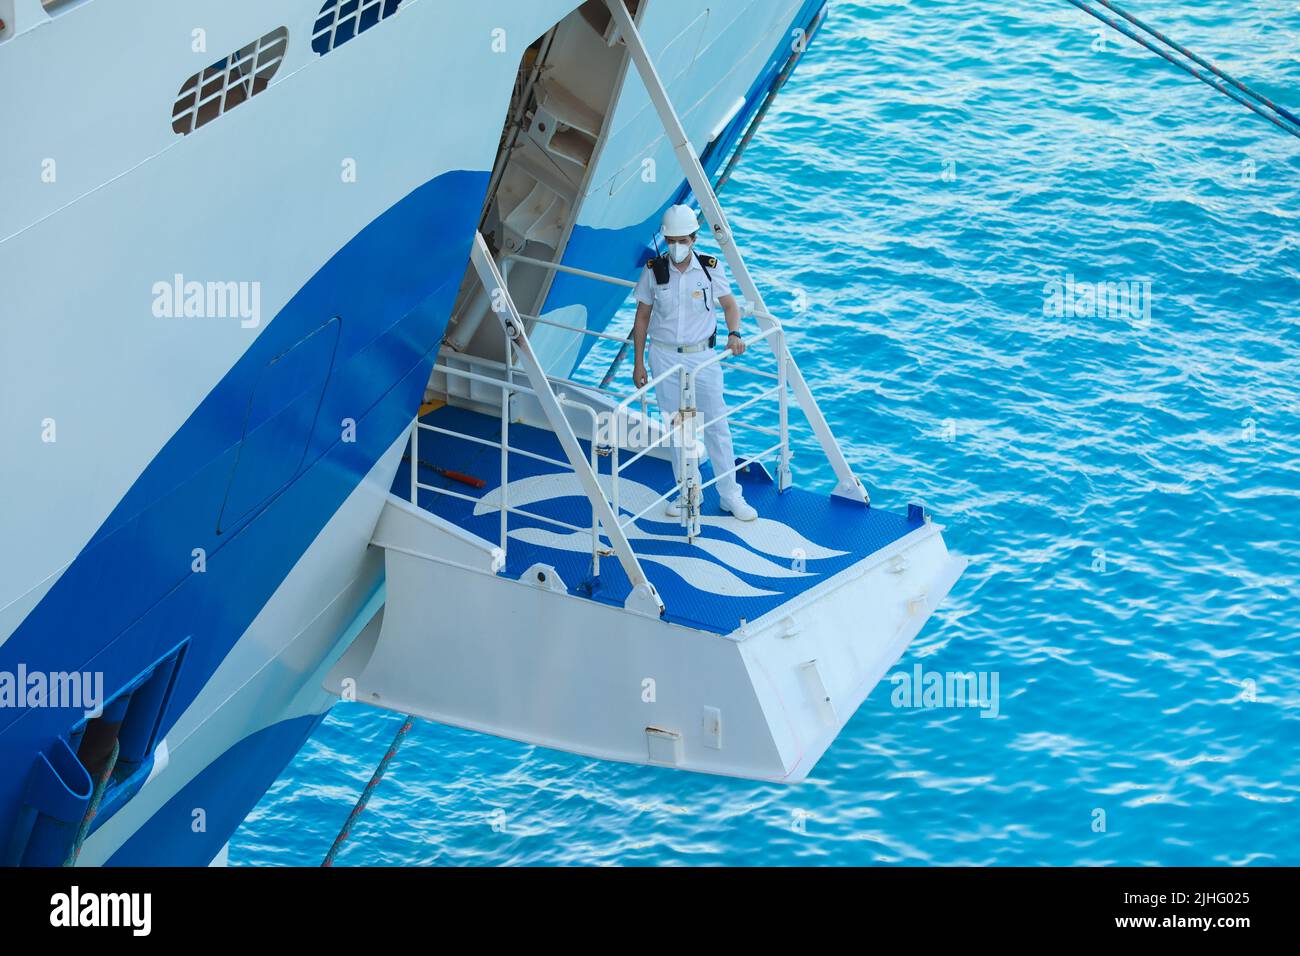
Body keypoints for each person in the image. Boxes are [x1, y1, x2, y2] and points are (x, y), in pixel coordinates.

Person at [631, 203, 757, 521]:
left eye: (682, 239)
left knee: (716, 426)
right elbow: (642, 317)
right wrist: (638, 363)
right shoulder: (652, 271)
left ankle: (731, 496)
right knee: (679, 429)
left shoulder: (710, 268)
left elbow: (730, 306)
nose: (676, 246)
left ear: (694, 238)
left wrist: (734, 333)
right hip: (664, 356)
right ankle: (689, 493)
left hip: (702, 356)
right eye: (671, 240)